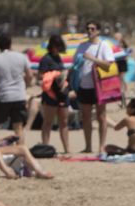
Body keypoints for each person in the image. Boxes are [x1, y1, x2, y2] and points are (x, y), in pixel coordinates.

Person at [71, 21, 115, 153]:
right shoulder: (82, 46)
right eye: (88, 28)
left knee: (101, 116)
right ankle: (88, 146)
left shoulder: (104, 46)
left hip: (99, 86)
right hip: (84, 85)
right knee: (86, 117)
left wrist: (92, 59)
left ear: (98, 31)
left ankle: (101, 146)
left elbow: (108, 65)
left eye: (92, 28)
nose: (89, 31)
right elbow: (75, 63)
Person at [0, 33, 32, 145]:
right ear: (11, 43)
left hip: (3, 97)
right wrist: (25, 87)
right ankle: (20, 156)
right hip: (19, 96)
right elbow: (29, 76)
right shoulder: (21, 57)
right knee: (18, 127)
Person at [38, 34, 70, 154]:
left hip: (62, 93)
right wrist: (55, 74)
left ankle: (67, 148)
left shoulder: (58, 58)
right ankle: (45, 147)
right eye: (55, 46)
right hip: (50, 94)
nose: (56, 48)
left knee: (64, 122)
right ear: (51, 46)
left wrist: (63, 74)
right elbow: (40, 76)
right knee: (48, 122)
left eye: (58, 46)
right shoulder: (46, 59)